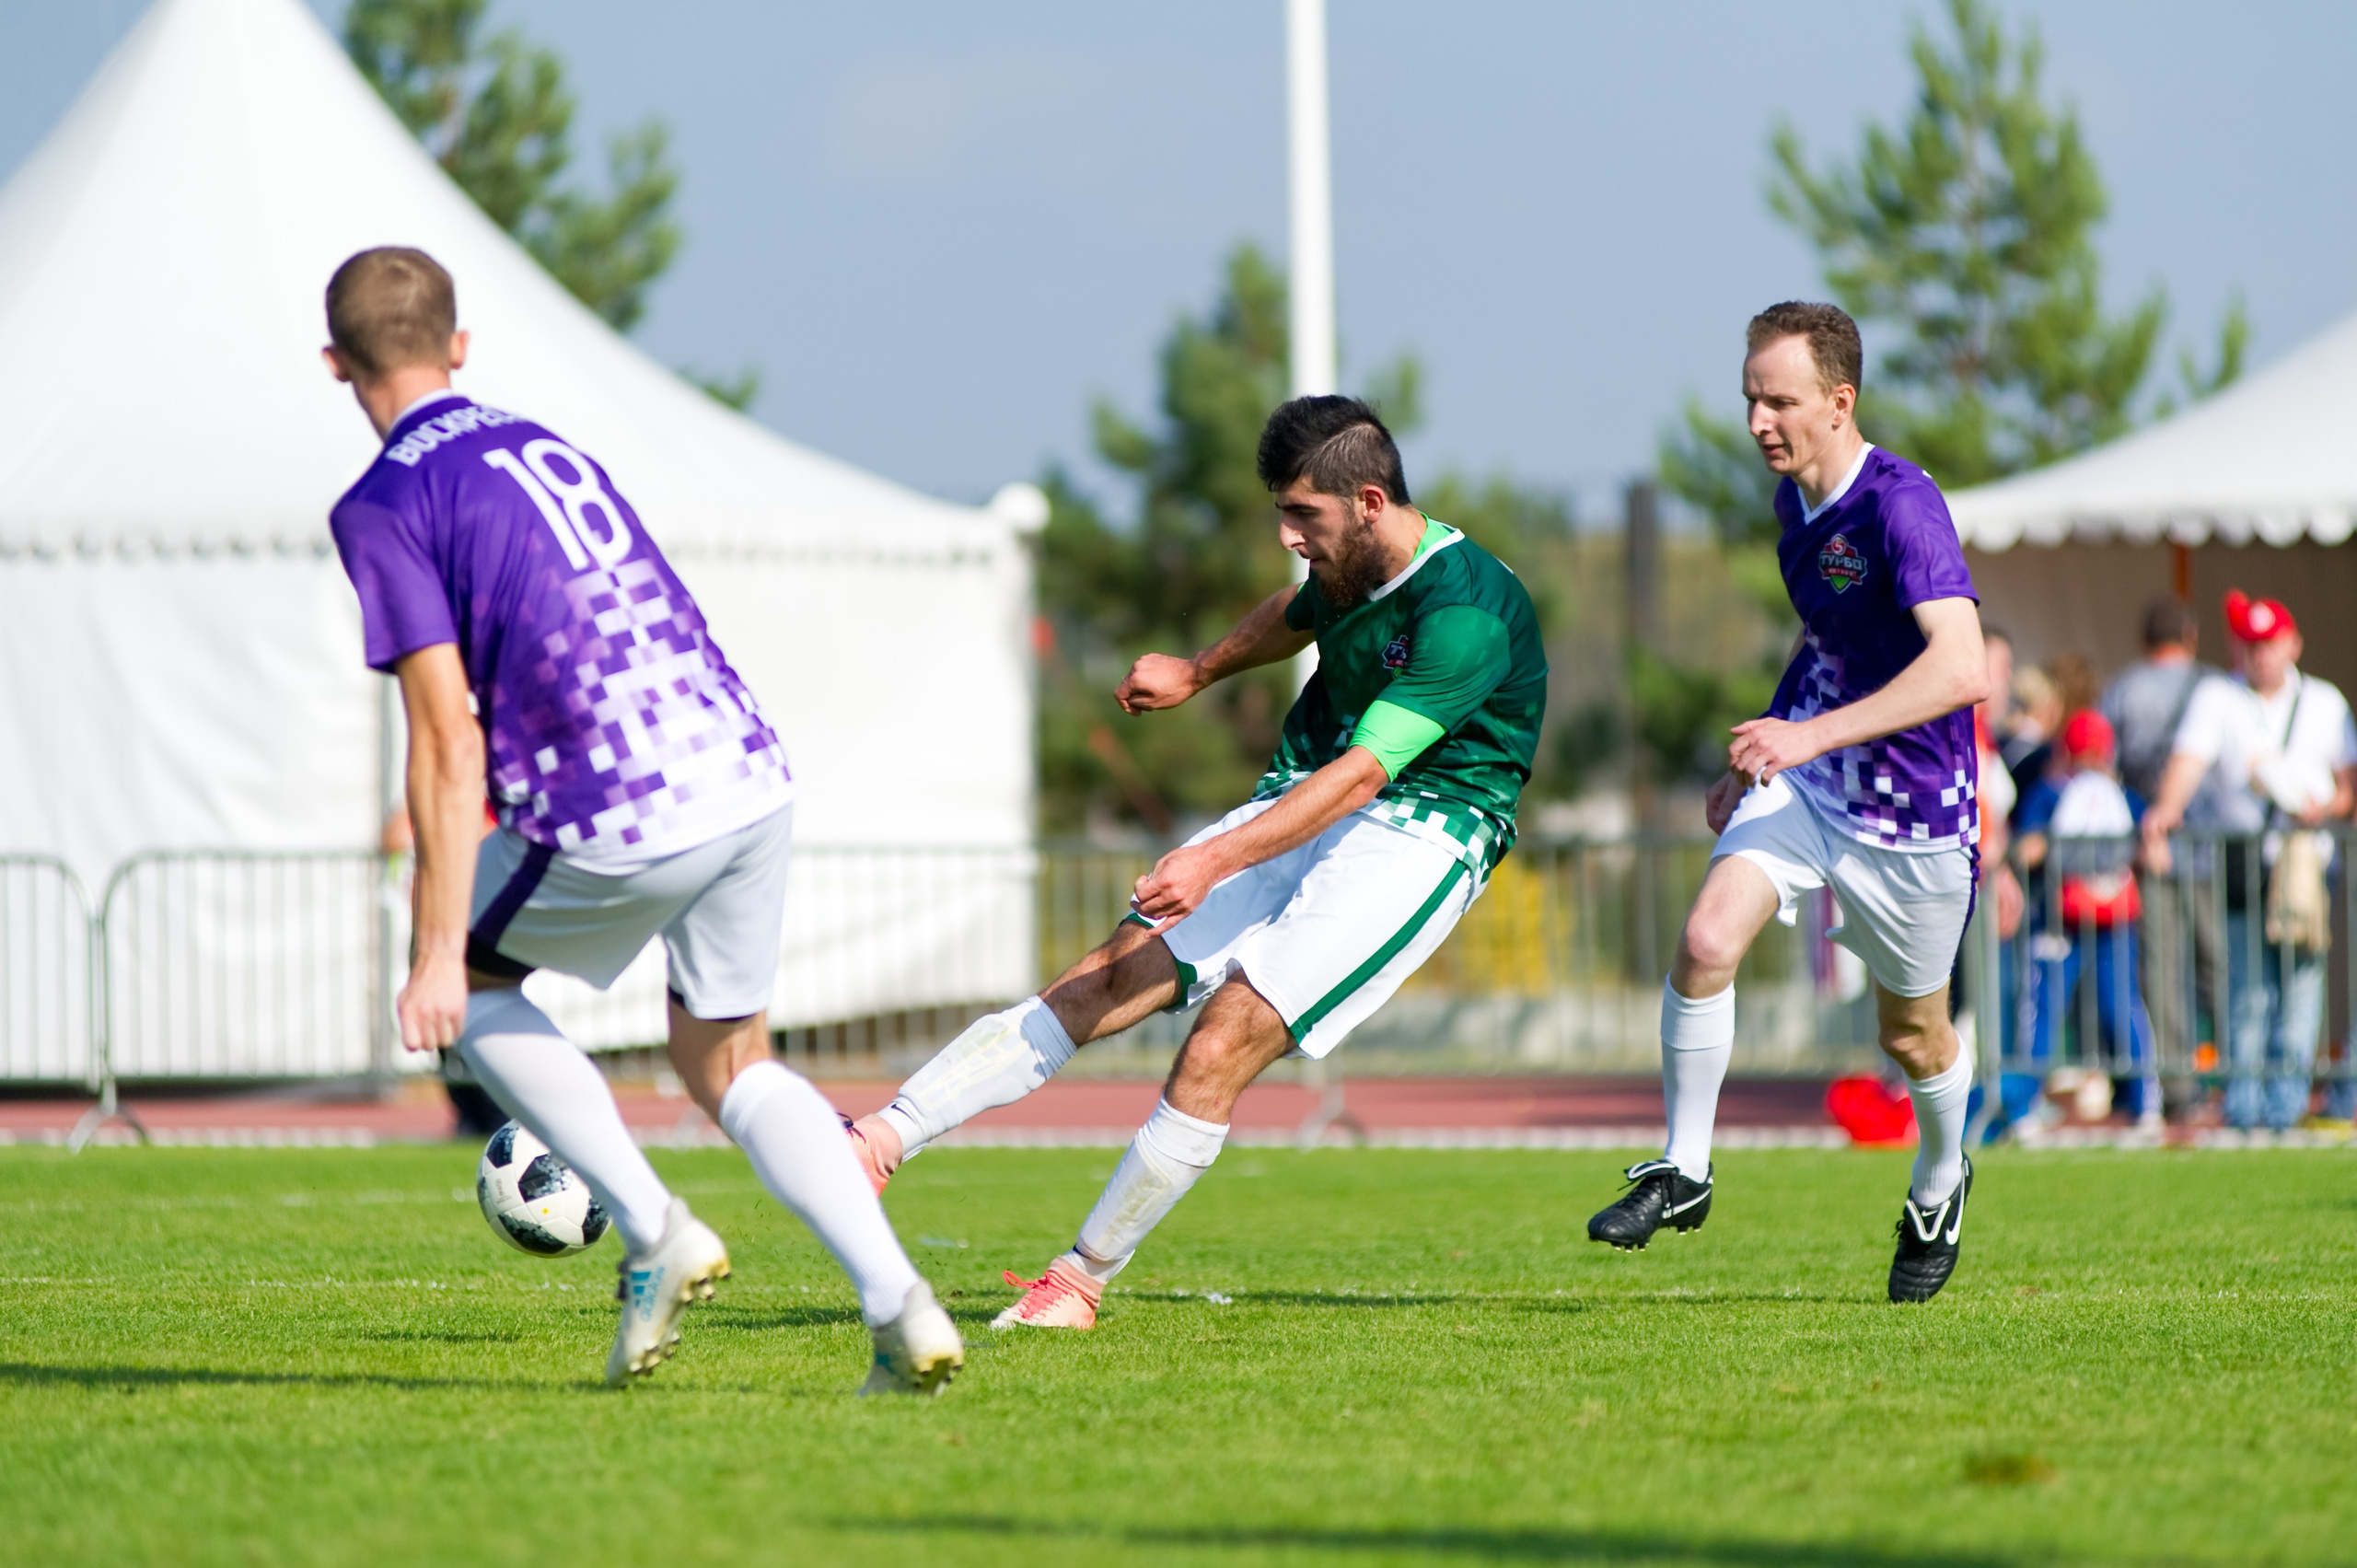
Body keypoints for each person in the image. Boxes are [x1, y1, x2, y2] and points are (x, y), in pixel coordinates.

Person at [320, 247, 960, 1392]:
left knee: (473, 983)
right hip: (746, 767)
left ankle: (654, 1229)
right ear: (458, 346)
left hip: (617, 796)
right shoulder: (547, 442)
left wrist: (430, 953)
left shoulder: (384, 502)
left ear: (336, 364)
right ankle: (899, 1300)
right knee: (728, 1058)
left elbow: (444, 737)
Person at [841, 395, 1547, 1330]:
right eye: (1282, 512)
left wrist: (1213, 857)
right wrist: (1200, 667)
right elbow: (1295, 615)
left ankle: (1079, 1280)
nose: (1289, 536)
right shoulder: (1348, 563)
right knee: (1103, 974)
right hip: (1317, 790)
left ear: (1370, 501)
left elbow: (1360, 775)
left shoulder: (1467, 614)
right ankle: (877, 1141)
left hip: (1423, 828)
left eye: (1305, 516)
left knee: (1224, 1035)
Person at [1583, 302, 1989, 1305]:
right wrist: (1767, 744)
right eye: (1749, 399)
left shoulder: (1901, 506)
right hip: (1813, 783)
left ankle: (1940, 1180)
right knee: (1708, 938)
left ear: (1839, 402)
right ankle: (1683, 1169)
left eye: (1780, 400)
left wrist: (1803, 734)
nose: (1759, 419)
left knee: (1913, 1038)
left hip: (1917, 815)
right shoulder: (1790, 508)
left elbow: (1963, 666)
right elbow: (1823, 641)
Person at [2142, 593, 2357, 1130]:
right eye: (2252, 645)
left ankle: (2284, 1105)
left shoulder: (2325, 702)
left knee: (2301, 987)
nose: (2260, 656)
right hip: (2242, 863)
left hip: (2305, 865)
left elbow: (2347, 783)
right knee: (2246, 988)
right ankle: (2245, 1105)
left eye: (2269, 644)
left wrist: (2323, 807)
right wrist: (2165, 811)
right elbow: (2189, 759)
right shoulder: (2220, 696)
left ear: (2293, 643)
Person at [2012, 710, 2161, 1127]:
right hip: (2061, 921)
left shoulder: (2121, 796)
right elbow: (2028, 848)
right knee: (2045, 1010)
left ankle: (2143, 1098)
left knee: (2121, 1007)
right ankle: (2024, 1104)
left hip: (2112, 920)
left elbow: (2150, 844)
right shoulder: (2050, 793)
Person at [2101, 599, 2217, 1078]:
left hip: (2147, 844)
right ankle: (2240, 1078)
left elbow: (2104, 769)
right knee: (2223, 965)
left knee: (2163, 969)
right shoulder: (2213, 687)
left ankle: (2177, 1083)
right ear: (2190, 635)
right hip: (2215, 844)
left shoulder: (2123, 689)